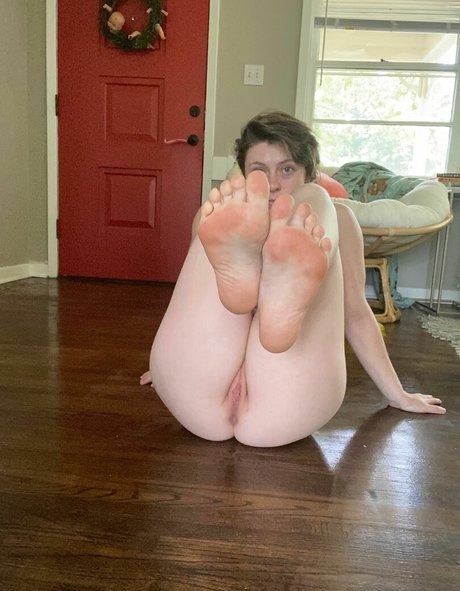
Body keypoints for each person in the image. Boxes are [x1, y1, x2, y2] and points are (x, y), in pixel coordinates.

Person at [141, 111, 445, 448]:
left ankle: (282, 281)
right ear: (244, 173)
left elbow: (357, 316)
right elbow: (194, 303)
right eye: (259, 171)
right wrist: (171, 363)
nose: (272, 183)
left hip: (280, 395)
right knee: (221, 218)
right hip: (198, 385)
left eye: (286, 169)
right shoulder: (223, 220)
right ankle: (268, 278)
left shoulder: (334, 217)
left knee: (319, 203)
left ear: (309, 172)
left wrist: (398, 393)